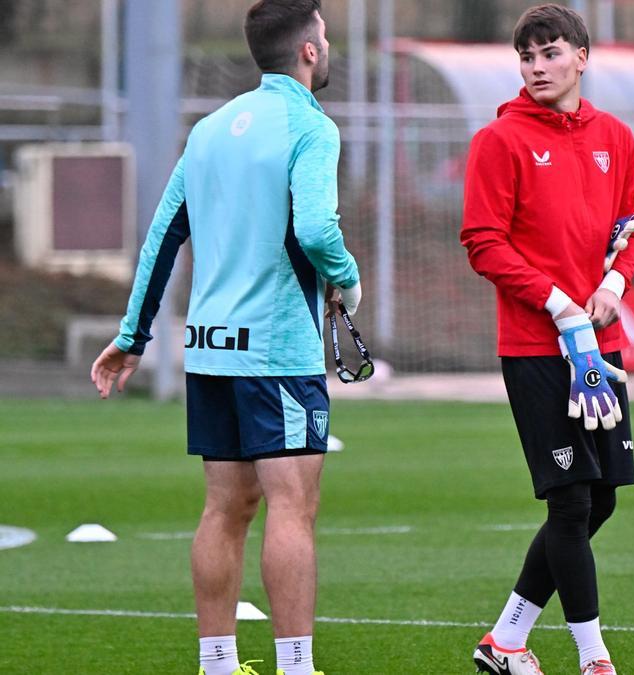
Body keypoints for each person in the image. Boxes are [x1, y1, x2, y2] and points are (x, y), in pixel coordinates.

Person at [89, 2, 358, 674]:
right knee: (293, 505)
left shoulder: (208, 130)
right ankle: (296, 665)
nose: (326, 47)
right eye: (323, 37)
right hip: (276, 352)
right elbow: (319, 232)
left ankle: (217, 662)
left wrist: (133, 335)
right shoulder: (310, 126)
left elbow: (162, 236)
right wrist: (346, 281)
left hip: (209, 348)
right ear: (306, 52)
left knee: (225, 506)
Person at [459, 5, 634, 675]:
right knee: (569, 499)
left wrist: (615, 287)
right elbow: (483, 241)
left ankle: (505, 640)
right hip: (537, 348)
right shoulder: (500, 140)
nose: (537, 67)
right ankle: (595, 659)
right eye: (527, 56)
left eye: (549, 53)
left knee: (602, 498)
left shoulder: (617, 137)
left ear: (581, 57)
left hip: (601, 345)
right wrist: (558, 301)